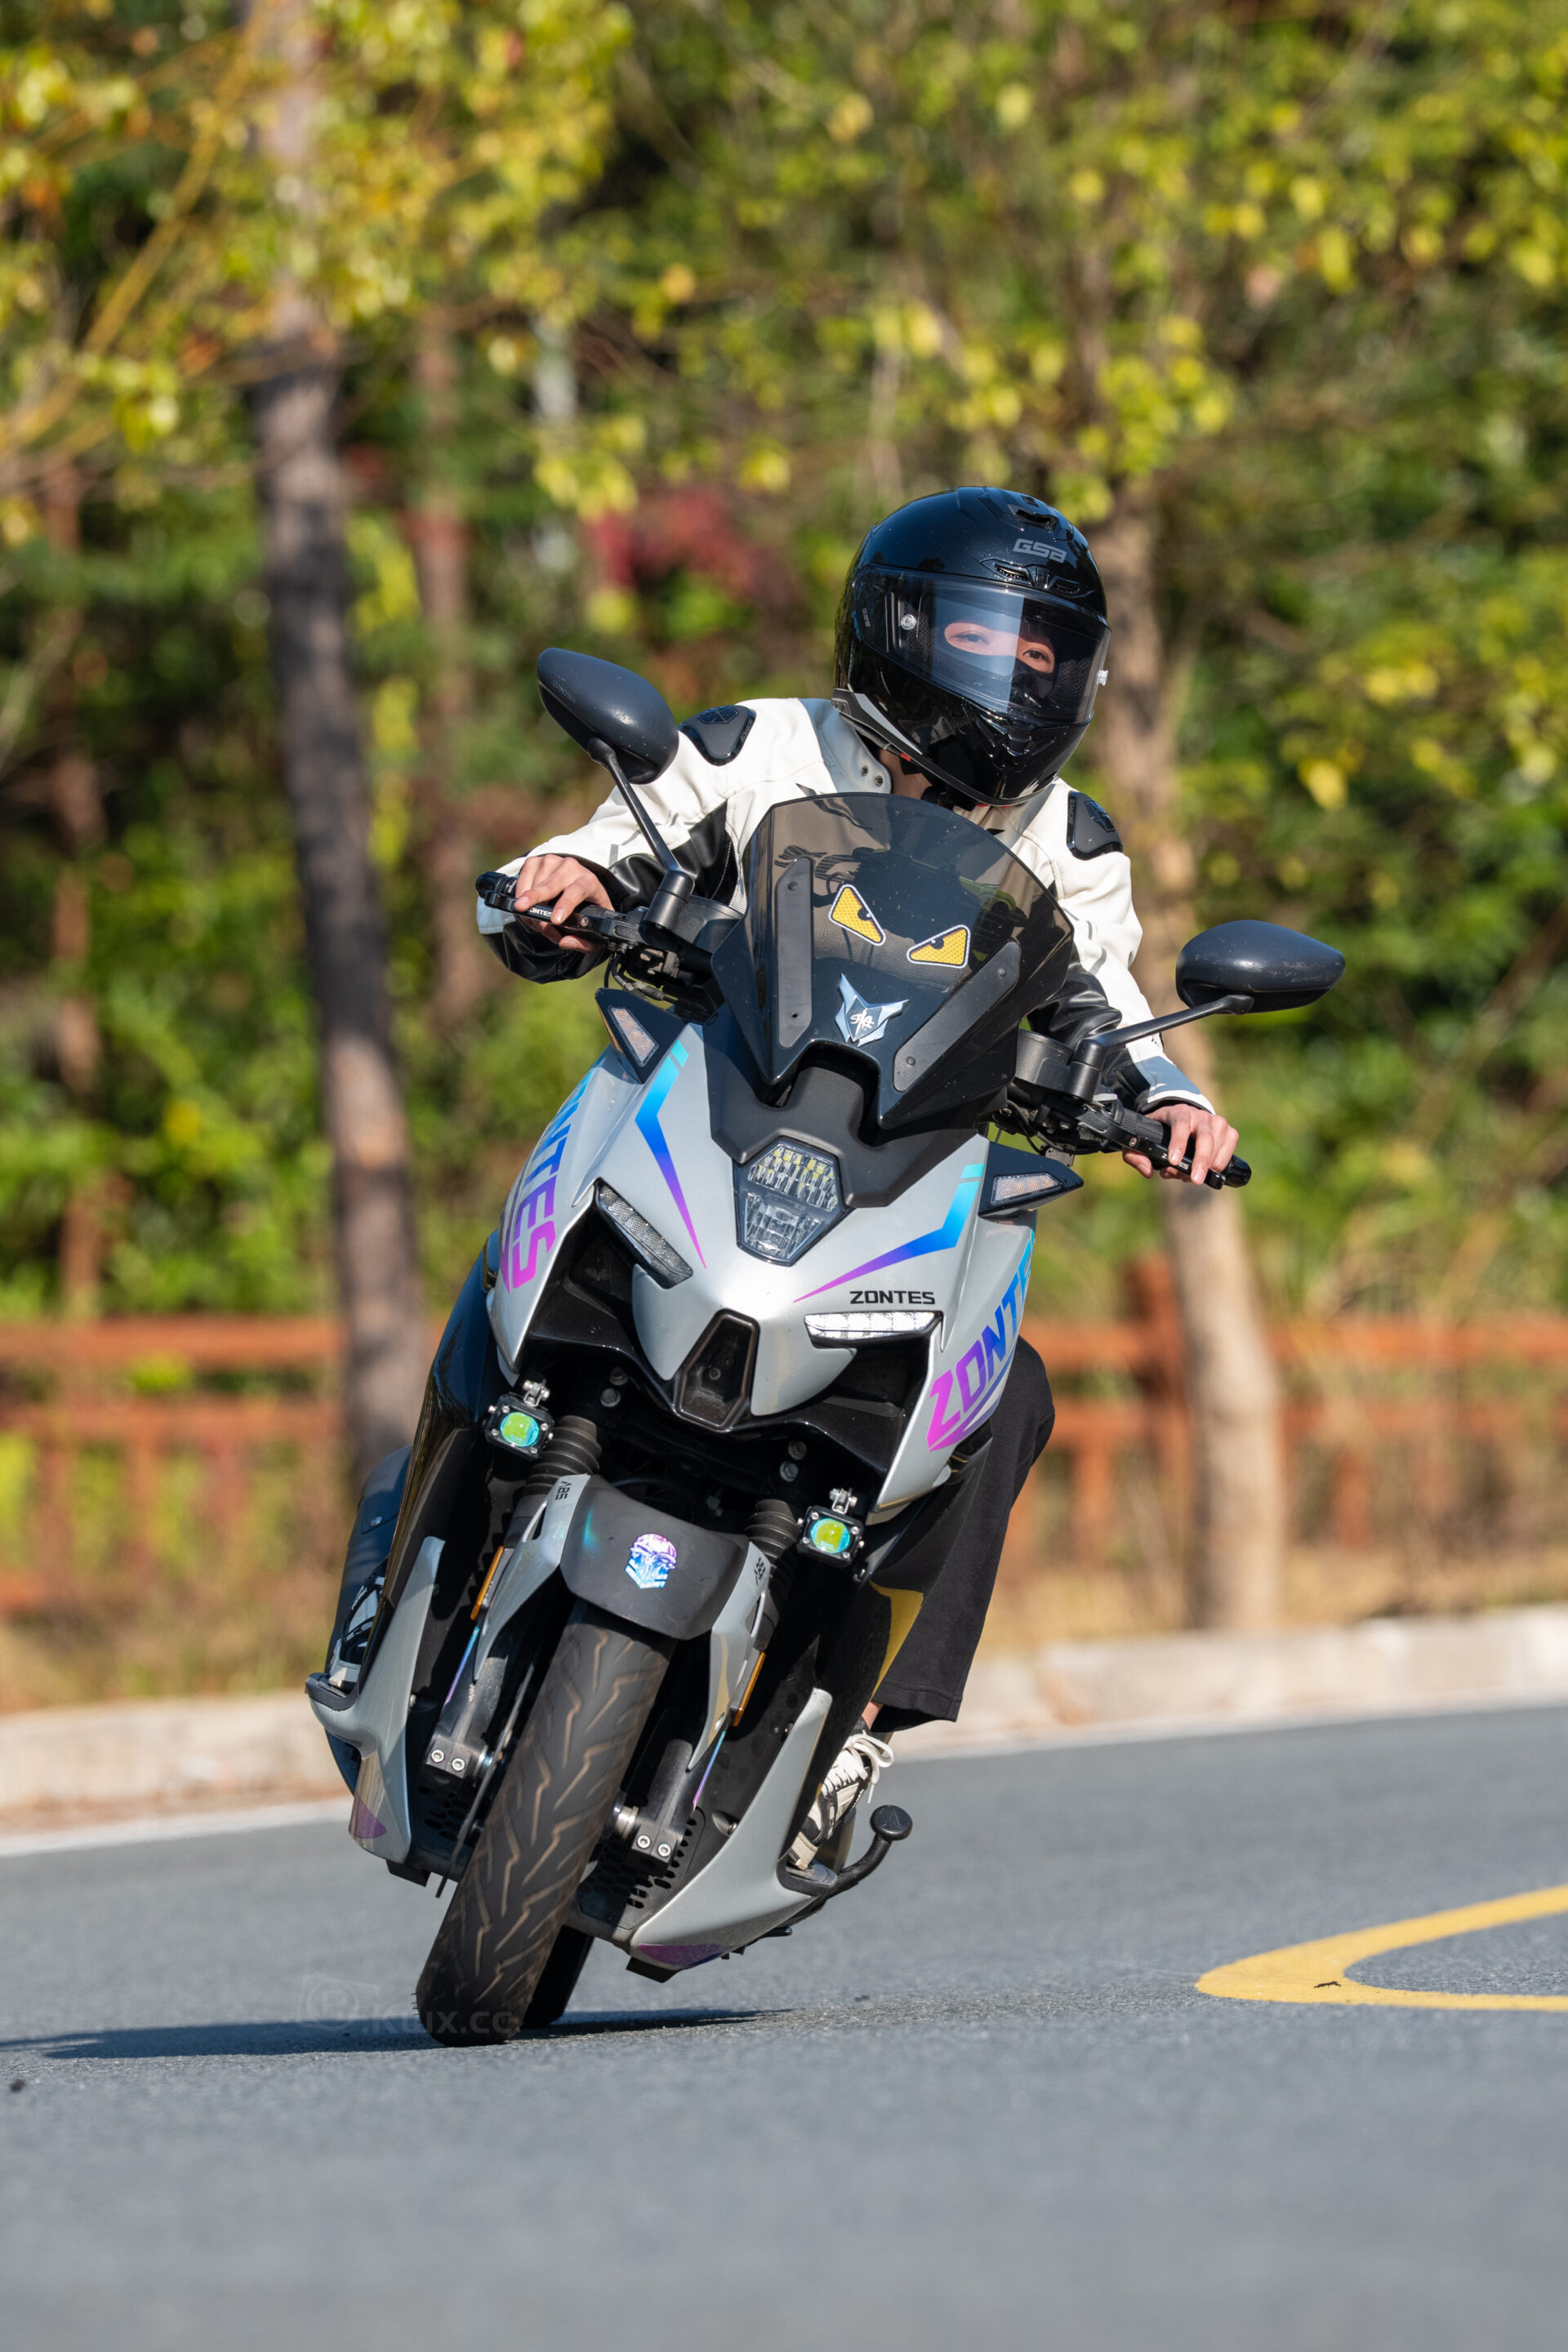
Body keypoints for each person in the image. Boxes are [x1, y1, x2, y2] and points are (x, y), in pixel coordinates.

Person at [479, 486, 1238, 1863]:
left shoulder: (1069, 843)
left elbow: (1111, 1010)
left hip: (904, 1178)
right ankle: (428, 1541)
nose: (1012, 673)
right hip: (707, 1119)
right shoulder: (762, 746)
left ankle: (860, 1725)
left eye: (1044, 652)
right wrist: (565, 882)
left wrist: (1169, 1102)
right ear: (896, 628)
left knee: (1006, 1389)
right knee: (539, 1229)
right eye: (981, 636)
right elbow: (617, 837)